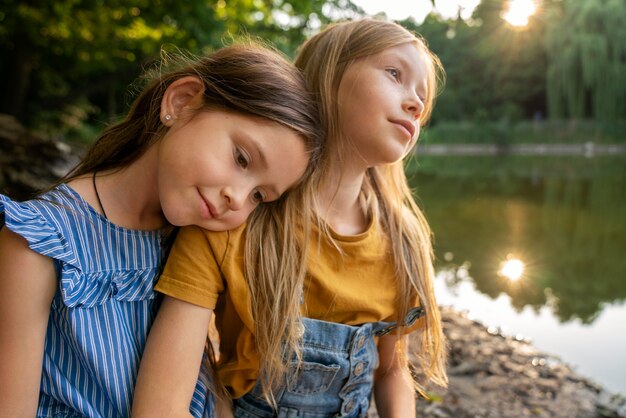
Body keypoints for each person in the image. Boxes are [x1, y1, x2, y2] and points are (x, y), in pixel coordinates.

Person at [133, 18, 448, 417]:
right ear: (329, 74)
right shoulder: (233, 222)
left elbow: (392, 370)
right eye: (394, 74)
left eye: (423, 97)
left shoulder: (403, 240)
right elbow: (161, 405)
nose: (416, 104)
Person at [0, 42, 322, 418]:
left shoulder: (192, 241)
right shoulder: (40, 242)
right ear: (182, 102)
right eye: (241, 158)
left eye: (259, 196)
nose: (237, 198)